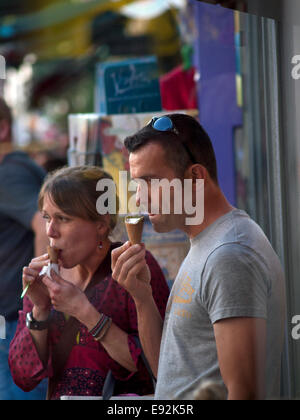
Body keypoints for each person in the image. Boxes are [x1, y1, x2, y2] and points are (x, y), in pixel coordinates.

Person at [111, 113, 286, 400]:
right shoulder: (206, 242)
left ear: (195, 177)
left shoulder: (229, 255)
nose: (140, 199)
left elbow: (244, 392)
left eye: (150, 182)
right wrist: (141, 297)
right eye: (136, 185)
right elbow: (168, 372)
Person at [8, 166, 169, 400]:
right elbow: (23, 377)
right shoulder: (47, 277)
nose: (51, 231)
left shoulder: (130, 268)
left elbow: (156, 367)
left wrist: (84, 311)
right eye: (46, 218)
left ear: (101, 224)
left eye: (63, 218)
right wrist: (40, 309)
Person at [0, 98, 49, 400]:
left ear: (2, 128)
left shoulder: (8, 173)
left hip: (15, 324)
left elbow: (45, 225)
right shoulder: (17, 167)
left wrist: (36, 301)